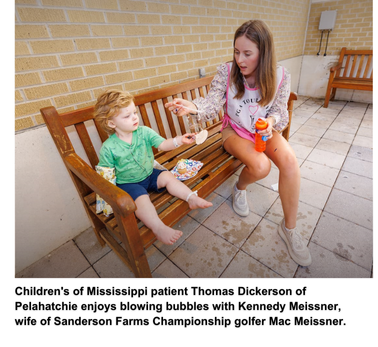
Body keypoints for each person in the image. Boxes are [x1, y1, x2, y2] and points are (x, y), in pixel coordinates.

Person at [165, 20, 311, 266]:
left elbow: (279, 111)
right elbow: (212, 102)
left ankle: (289, 230)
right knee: (261, 167)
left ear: (263, 53)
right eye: (236, 51)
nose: (240, 59)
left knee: (289, 162)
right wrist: (192, 107)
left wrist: (271, 120)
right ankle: (239, 189)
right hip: (234, 130)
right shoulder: (227, 71)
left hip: (263, 130)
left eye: (247, 53)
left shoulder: (280, 75)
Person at [94, 89, 213, 245]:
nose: (134, 117)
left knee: (168, 177)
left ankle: (191, 198)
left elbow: (163, 144)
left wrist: (179, 140)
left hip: (150, 174)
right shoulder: (109, 148)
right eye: (127, 116)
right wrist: (108, 200)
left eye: (134, 112)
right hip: (129, 184)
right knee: (142, 201)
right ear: (111, 123)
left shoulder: (143, 132)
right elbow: (106, 174)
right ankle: (159, 228)